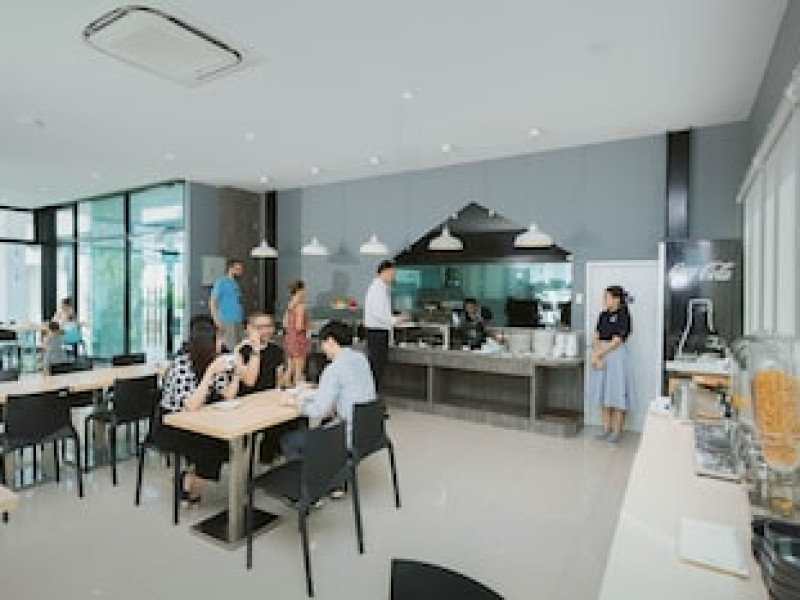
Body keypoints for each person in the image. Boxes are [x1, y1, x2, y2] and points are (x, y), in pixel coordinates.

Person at [160, 315, 242, 503]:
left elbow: (228, 395)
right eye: (218, 340)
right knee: (212, 449)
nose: (222, 344)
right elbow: (191, 405)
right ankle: (189, 483)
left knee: (222, 446)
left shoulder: (214, 360)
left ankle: (190, 479)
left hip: (201, 419)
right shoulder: (181, 365)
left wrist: (237, 372)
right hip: (173, 424)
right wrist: (210, 372)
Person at [280, 320, 376, 473]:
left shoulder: (334, 369)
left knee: (288, 441)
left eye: (322, 343)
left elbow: (319, 411)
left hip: (347, 436)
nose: (322, 349)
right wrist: (319, 395)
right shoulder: (361, 358)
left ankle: (313, 480)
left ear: (330, 341)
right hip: (370, 432)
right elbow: (351, 390)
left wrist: (295, 403)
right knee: (324, 423)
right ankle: (330, 469)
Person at [588, 285, 634, 444]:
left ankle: (616, 432)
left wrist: (598, 355)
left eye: (606, 297)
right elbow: (595, 336)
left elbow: (616, 341)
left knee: (617, 393)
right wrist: (596, 355)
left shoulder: (624, 316)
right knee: (603, 394)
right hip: (601, 356)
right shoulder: (603, 315)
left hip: (616, 357)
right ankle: (606, 429)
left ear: (616, 299)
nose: (604, 300)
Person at [364, 260, 402, 391]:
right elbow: (378, 313)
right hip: (377, 333)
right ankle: (371, 396)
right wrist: (395, 320)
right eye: (392, 273)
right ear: (385, 272)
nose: (393, 276)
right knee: (376, 367)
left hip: (378, 332)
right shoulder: (377, 289)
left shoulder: (381, 288)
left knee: (378, 366)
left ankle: (373, 394)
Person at [209, 259, 244, 352]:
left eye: (241, 269)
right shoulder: (221, 282)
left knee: (239, 348)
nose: (240, 271)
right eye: (237, 269)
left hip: (238, 320)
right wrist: (217, 321)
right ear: (230, 269)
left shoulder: (235, 284)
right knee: (229, 347)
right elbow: (212, 302)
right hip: (226, 320)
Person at [283, 280, 310, 386]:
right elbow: (299, 326)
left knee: (290, 368)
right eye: (304, 290)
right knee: (299, 370)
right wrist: (308, 325)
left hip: (289, 338)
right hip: (299, 339)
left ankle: (283, 390)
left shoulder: (289, 305)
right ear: (300, 290)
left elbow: (285, 324)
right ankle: (297, 391)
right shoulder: (300, 306)